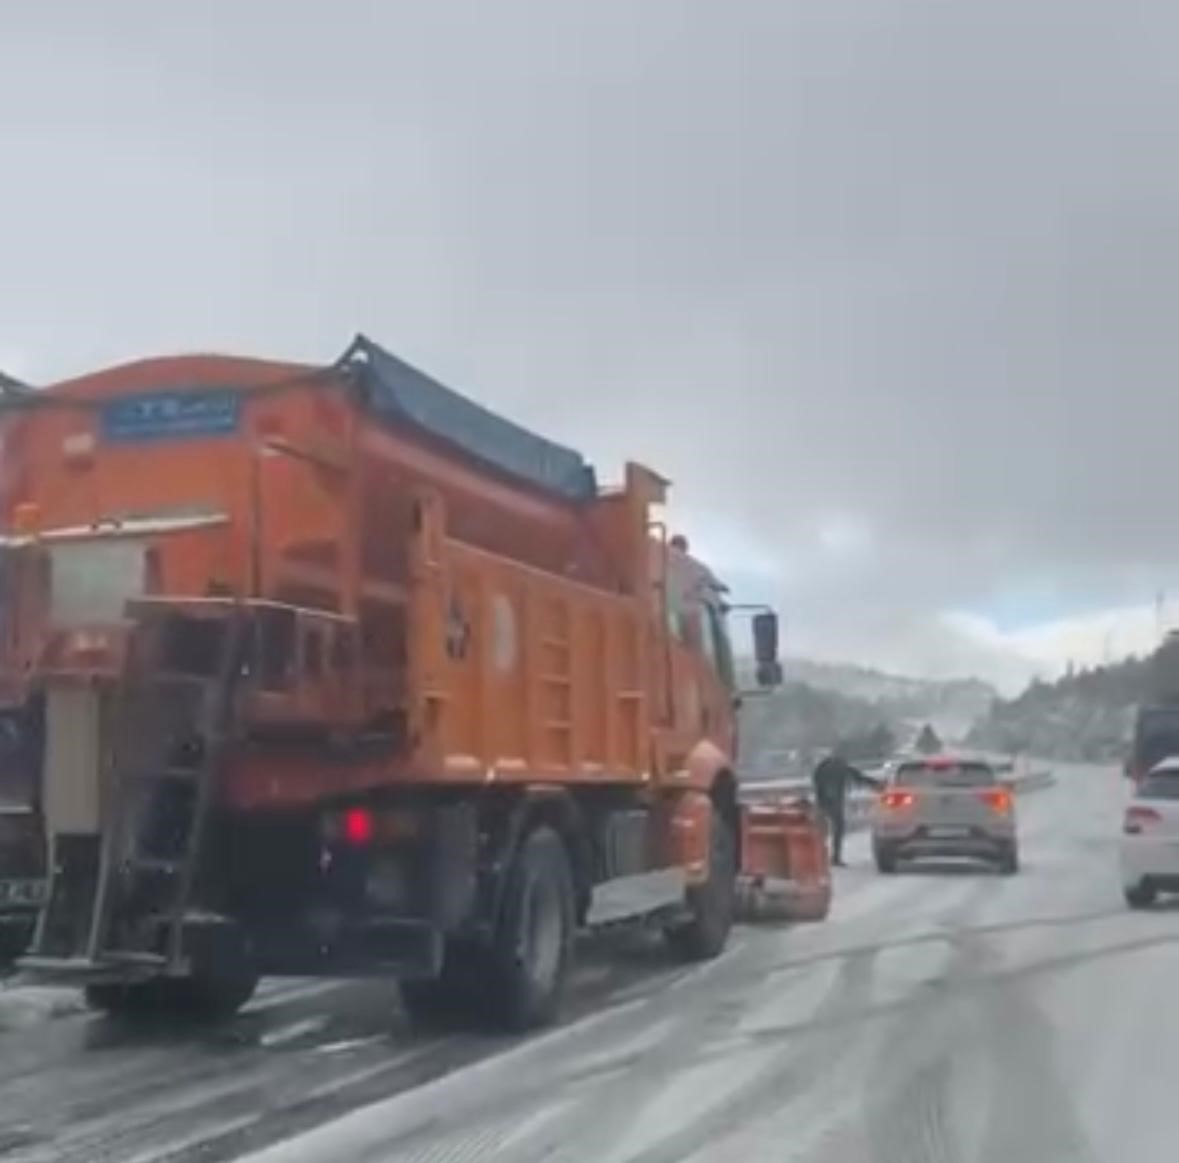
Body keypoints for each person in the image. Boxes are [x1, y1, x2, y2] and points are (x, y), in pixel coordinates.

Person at [811, 745, 882, 866]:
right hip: (834, 803)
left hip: (822, 802)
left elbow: (816, 782)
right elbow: (858, 778)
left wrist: (821, 796)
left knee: (819, 831)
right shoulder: (842, 766)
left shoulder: (822, 767)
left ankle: (817, 857)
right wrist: (877, 785)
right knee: (837, 829)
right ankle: (835, 857)